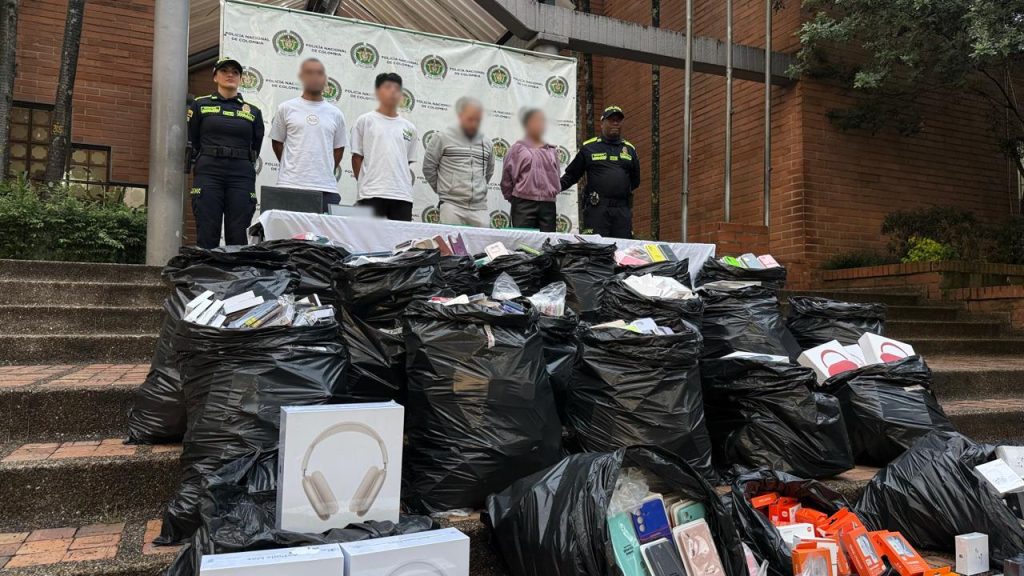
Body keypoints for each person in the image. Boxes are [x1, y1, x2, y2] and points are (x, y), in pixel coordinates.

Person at [187, 57, 265, 248]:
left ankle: (236, 275)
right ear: (215, 77)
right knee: (207, 226)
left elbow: (256, 145)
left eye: (235, 72)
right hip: (209, 170)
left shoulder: (253, 111)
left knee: (238, 229)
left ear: (240, 79)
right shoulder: (200, 105)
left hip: (240, 173)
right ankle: (205, 275)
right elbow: (194, 139)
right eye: (224, 71)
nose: (230, 75)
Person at [269, 58, 348, 212]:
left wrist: (324, 169)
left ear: (325, 80)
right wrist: (290, 165)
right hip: (290, 185)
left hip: (325, 188)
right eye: (309, 73)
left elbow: (338, 149)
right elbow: (277, 142)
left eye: (319, 73)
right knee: (287, 236)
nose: (314, 77)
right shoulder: (286, 108)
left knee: (323, 236)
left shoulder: (336, 114)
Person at [560, 105, 640, 238]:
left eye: (618, 120)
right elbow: (572, 175)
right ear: (602, 123)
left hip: (622, 211)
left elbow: (635, 180)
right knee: (595, 249)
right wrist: (552, 188)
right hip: (597, 209)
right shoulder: (589, 147)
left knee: (623, 249)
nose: (615, 123)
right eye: (611, 120)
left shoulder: (630, 149)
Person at [349, 72, 419, 221]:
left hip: (401, 195)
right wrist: (365, 184)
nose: (393, 91)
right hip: (370, 193)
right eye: (387, 87)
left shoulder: (410, 128)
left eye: (397, 88)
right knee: (366, 240)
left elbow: (406, 161)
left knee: (401, 242)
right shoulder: (365, 121)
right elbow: (356, 158)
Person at [422, 96, 494, 227]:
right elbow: (428, 168)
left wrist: (478, 189)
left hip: (479, 208)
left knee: (484, 246)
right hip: (451, 206)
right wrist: (445, 190)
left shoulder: (487, 143)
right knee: (450, 246)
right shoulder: (442, 138)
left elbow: (488, 172)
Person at [500, 108, 561, 232]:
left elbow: (556, 175)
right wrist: (515, 199)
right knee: (523, 243)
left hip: (548, 205)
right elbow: (507, 178)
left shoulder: (551, 151)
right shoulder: (517, 149)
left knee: (547, 244)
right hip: (523, 203)